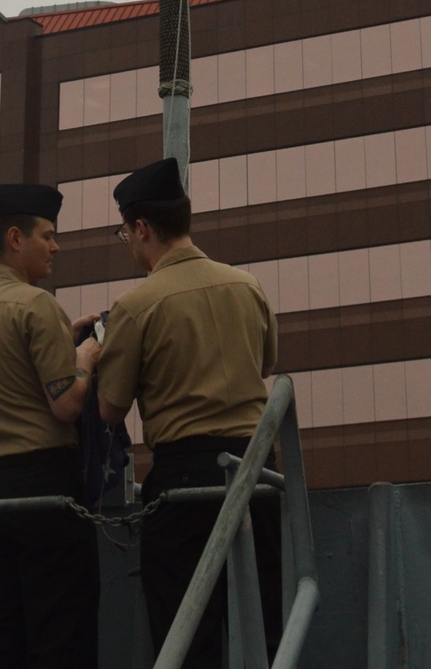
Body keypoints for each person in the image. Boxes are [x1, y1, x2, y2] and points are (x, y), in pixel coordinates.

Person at [96, 157, 282, 667]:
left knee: (186, 632)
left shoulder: (138, 304)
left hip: (184, 478)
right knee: (266, 625)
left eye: (125, 234)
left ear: (141, 228)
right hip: (259, 472)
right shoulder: (247, 286)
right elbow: (267, 363)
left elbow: (110, 409)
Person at [0, 182, 102, 669]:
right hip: (45, 491)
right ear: (16, 238)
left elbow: (11, 369)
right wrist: (87, 356)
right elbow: (66, 406)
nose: (55, 247)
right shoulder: (37, 306)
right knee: (61, 636)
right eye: (48, 236)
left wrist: (62, 343)